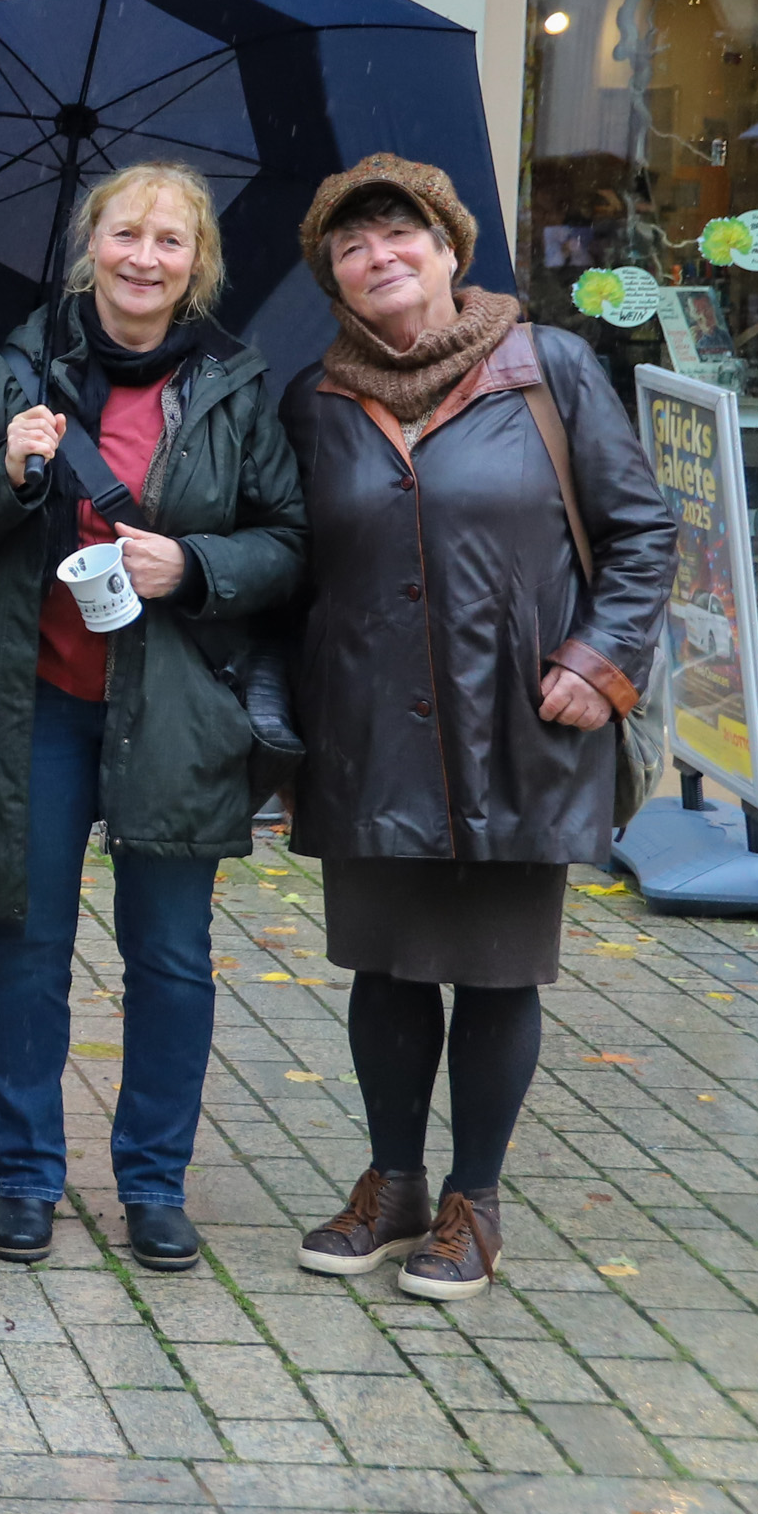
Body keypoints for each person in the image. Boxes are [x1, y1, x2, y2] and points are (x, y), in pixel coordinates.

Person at [277, 155, 674, 1300]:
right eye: (351, 248)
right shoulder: (314, 400)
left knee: (496, 973)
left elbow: (639, 530)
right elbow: (290, 568)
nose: (377, 257)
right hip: (364, 730)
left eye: (399, 236)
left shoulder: (545, 367)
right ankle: (391, 1184)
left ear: (450, 251)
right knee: (385, 967)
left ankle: (473, 1202)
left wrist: (598, 665)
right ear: (334, 282)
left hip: (520, 724)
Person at [0, 164, 308, 1272]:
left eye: (168, 240)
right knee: (24, 948)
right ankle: (26, 1177)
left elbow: (287, 540)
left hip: (173, 716)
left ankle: (151, 1184)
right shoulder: (15, 376)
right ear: (90, 247)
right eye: (124, 233)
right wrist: (6, 471)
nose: (143, 256)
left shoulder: (231, 387)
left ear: (196, 262)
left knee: (168, 956)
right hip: (30, 705)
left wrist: (195, 562)